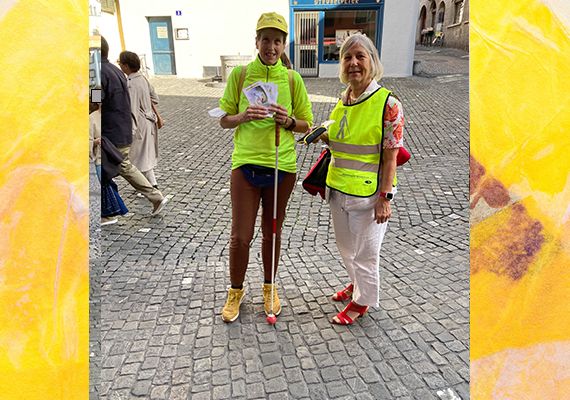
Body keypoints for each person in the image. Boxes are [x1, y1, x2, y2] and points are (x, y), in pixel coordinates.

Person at [218, 12, 313, 322]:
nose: (271, 46)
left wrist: (287, 121)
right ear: (256, 41)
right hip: (246, 164)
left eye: (277, 40)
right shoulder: (241, 75)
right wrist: (242, 116)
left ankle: (269, 287)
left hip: (281, 167)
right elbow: (223, 118)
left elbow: (306, 124)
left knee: (272, 232)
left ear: (284, 45)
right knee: (240, 236)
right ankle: (236, 290)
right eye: (265, 39)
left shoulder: (292, 79)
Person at [316, 33, 404, 325]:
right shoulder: (343, 101)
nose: (353, 63)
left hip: (369, 196)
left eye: (360, 56)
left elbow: (390, 157)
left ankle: (362, 303)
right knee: (346, 247)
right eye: (347, 57)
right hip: (339, 189)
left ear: (372, 62)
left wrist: (385, 198)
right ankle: (357, 285)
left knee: (366, 253)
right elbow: (347, 142)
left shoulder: (388, 104)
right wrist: (325, 137)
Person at [100, 36, 168, 216]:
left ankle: (109, 210)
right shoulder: (118, 73)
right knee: (127, 164)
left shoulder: (99, 74)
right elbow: (154, 98)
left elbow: (95, 104)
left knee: (123, 165)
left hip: (117, 130)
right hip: (125, 127)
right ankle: (153, 194)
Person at [118, 51, 163, 189]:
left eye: (120, 62)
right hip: (149, 121)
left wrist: (130, 130)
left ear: (125, 66)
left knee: (138, 157)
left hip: (139, 123)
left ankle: (149, 187)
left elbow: (132, 110)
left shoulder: (131, 83)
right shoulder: (142, 78)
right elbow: (155, 98)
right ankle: (151, 184)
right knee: (144, 155)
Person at [89, 86, 102, 182]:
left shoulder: (113, 116)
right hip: (100, 160)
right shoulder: (91, 118)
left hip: (112, 160)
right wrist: (96, 142)